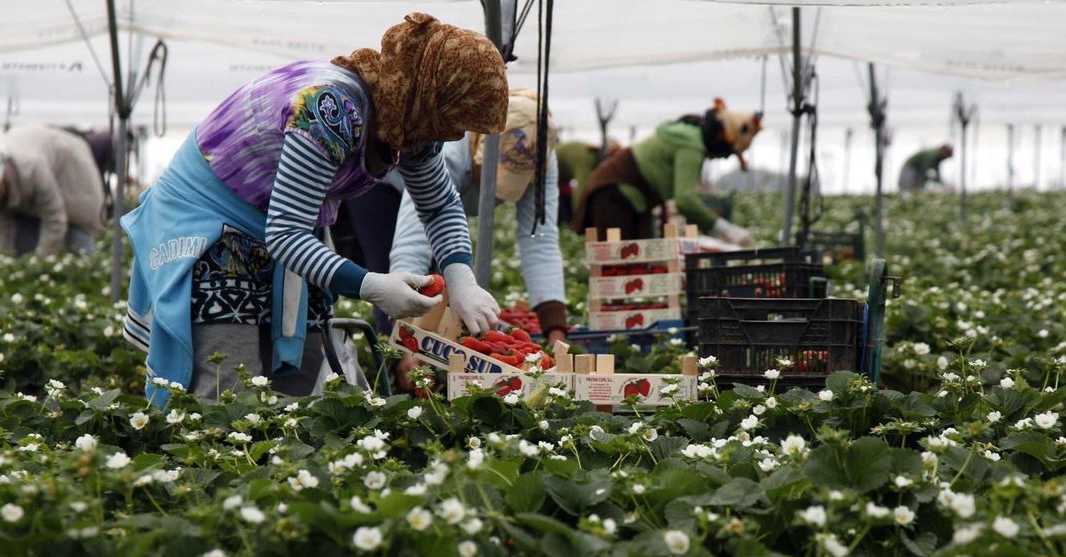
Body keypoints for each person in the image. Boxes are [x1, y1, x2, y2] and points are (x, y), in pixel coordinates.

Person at [118, 13, 508, 405]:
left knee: (304, 386)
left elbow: (439, 206)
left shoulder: (412, 124)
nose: (457, 134)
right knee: (226, 390)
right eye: (455, 119)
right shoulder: (328, 110)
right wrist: (371, 286)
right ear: (431, 92)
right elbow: (286, 236)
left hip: (283, 230)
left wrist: (461, 277)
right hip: (212, 227)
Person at [389, 88, 569, 344]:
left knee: (449, 295)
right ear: (478, 148)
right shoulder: (448, 146)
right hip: (387, 187)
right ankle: (398, 354)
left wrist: (555, 330)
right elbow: (414, 238)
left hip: (444, 209)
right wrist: (404, 328)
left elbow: (541, 239)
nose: (498, 192)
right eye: (496, 176)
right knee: (404, 290)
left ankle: (435, 354)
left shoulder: (541, 158)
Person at [573, 100, 761, 245]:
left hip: (627, 197)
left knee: (637, 261)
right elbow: (685, 199)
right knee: (619, 264)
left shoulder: (689, 135)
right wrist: (725, 229)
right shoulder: (692, 146)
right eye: (728, 153)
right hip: (615, 196)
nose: (723, 158)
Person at [0, 124, 106, 257]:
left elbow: (54, 218)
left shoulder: (33, 168)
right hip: (36, 157)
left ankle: (88, 267)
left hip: (72, 168)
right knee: (25, 240)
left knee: (77, 231)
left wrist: (42, 259)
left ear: (2, 178)